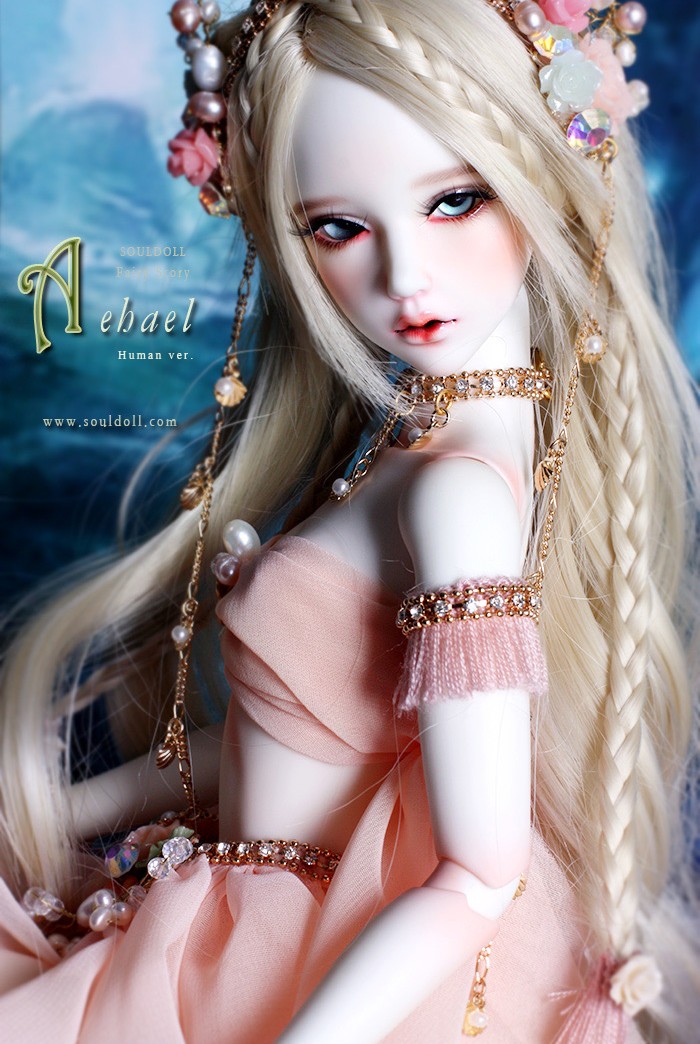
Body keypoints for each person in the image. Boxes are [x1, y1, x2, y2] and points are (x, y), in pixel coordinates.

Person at [0, 1, 698, 1041]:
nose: (405, 278)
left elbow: (479, 874)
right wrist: (62, 808)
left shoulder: (457, 494)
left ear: (543, 169)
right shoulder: (416, 449)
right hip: (242, 928)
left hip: (296, 981)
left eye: (456, 200)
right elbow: (299, 733)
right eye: (338, 227)